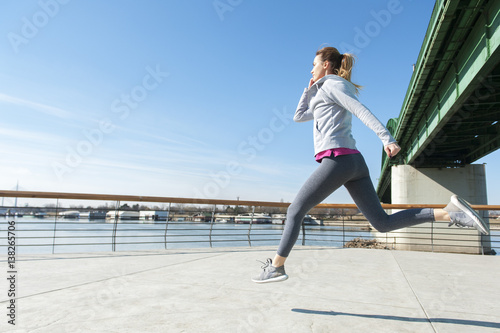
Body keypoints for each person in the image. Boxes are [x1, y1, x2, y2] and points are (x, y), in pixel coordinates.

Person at [252, 46, 489, 283]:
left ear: (326, 64)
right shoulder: (322, 90)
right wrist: (309, 87)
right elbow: (299, 115)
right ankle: (450, 214)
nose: (310, 68)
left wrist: (387, 138)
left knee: (295, 210)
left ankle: (276, 267)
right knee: (382, 223)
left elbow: (360, 110)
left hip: (338, 160)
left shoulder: (334, 85)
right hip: (353, 163)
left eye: (314, 64)